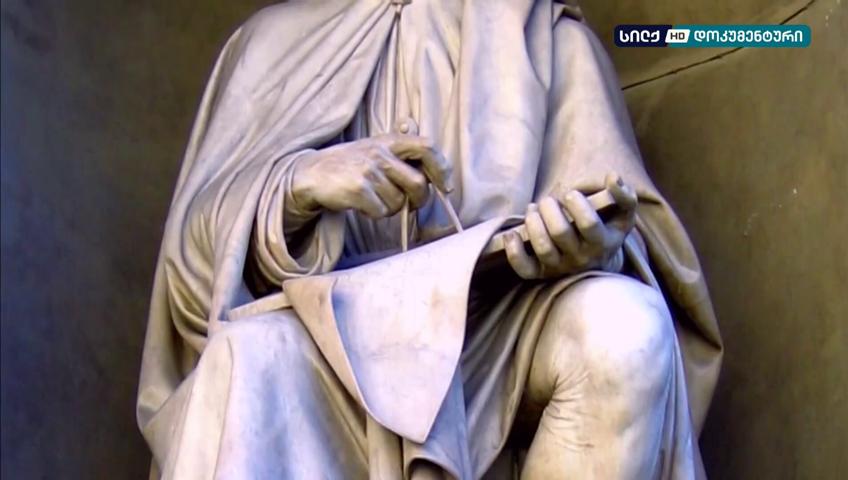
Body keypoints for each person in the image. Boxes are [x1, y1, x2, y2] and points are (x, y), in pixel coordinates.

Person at [136, 1, 723, 478]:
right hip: (321, 339)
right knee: (245, 359)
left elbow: (628, 225)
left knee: (625, 330)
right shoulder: (271, 43)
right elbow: (192, 277)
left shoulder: (545, 35)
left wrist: (590, 246)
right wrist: (297, 185)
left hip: (494, 341)